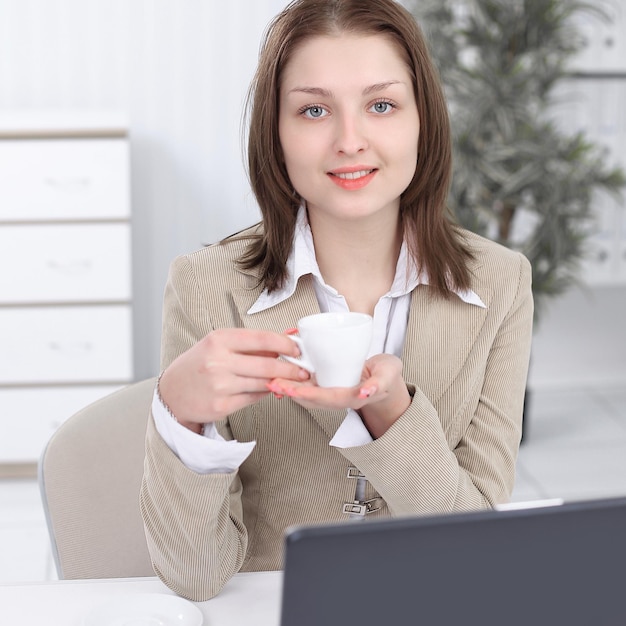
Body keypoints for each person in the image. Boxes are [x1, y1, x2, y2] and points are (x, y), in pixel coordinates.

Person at [140, 0, 533, 602]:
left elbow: (475, 546)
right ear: (276, 131)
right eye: (314, 109)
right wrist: (180, 414)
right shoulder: (203, 287)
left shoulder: (501, 286)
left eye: (381, 105)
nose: (350, 141)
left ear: (422, 119)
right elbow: (195, 577)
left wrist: (391, 412)